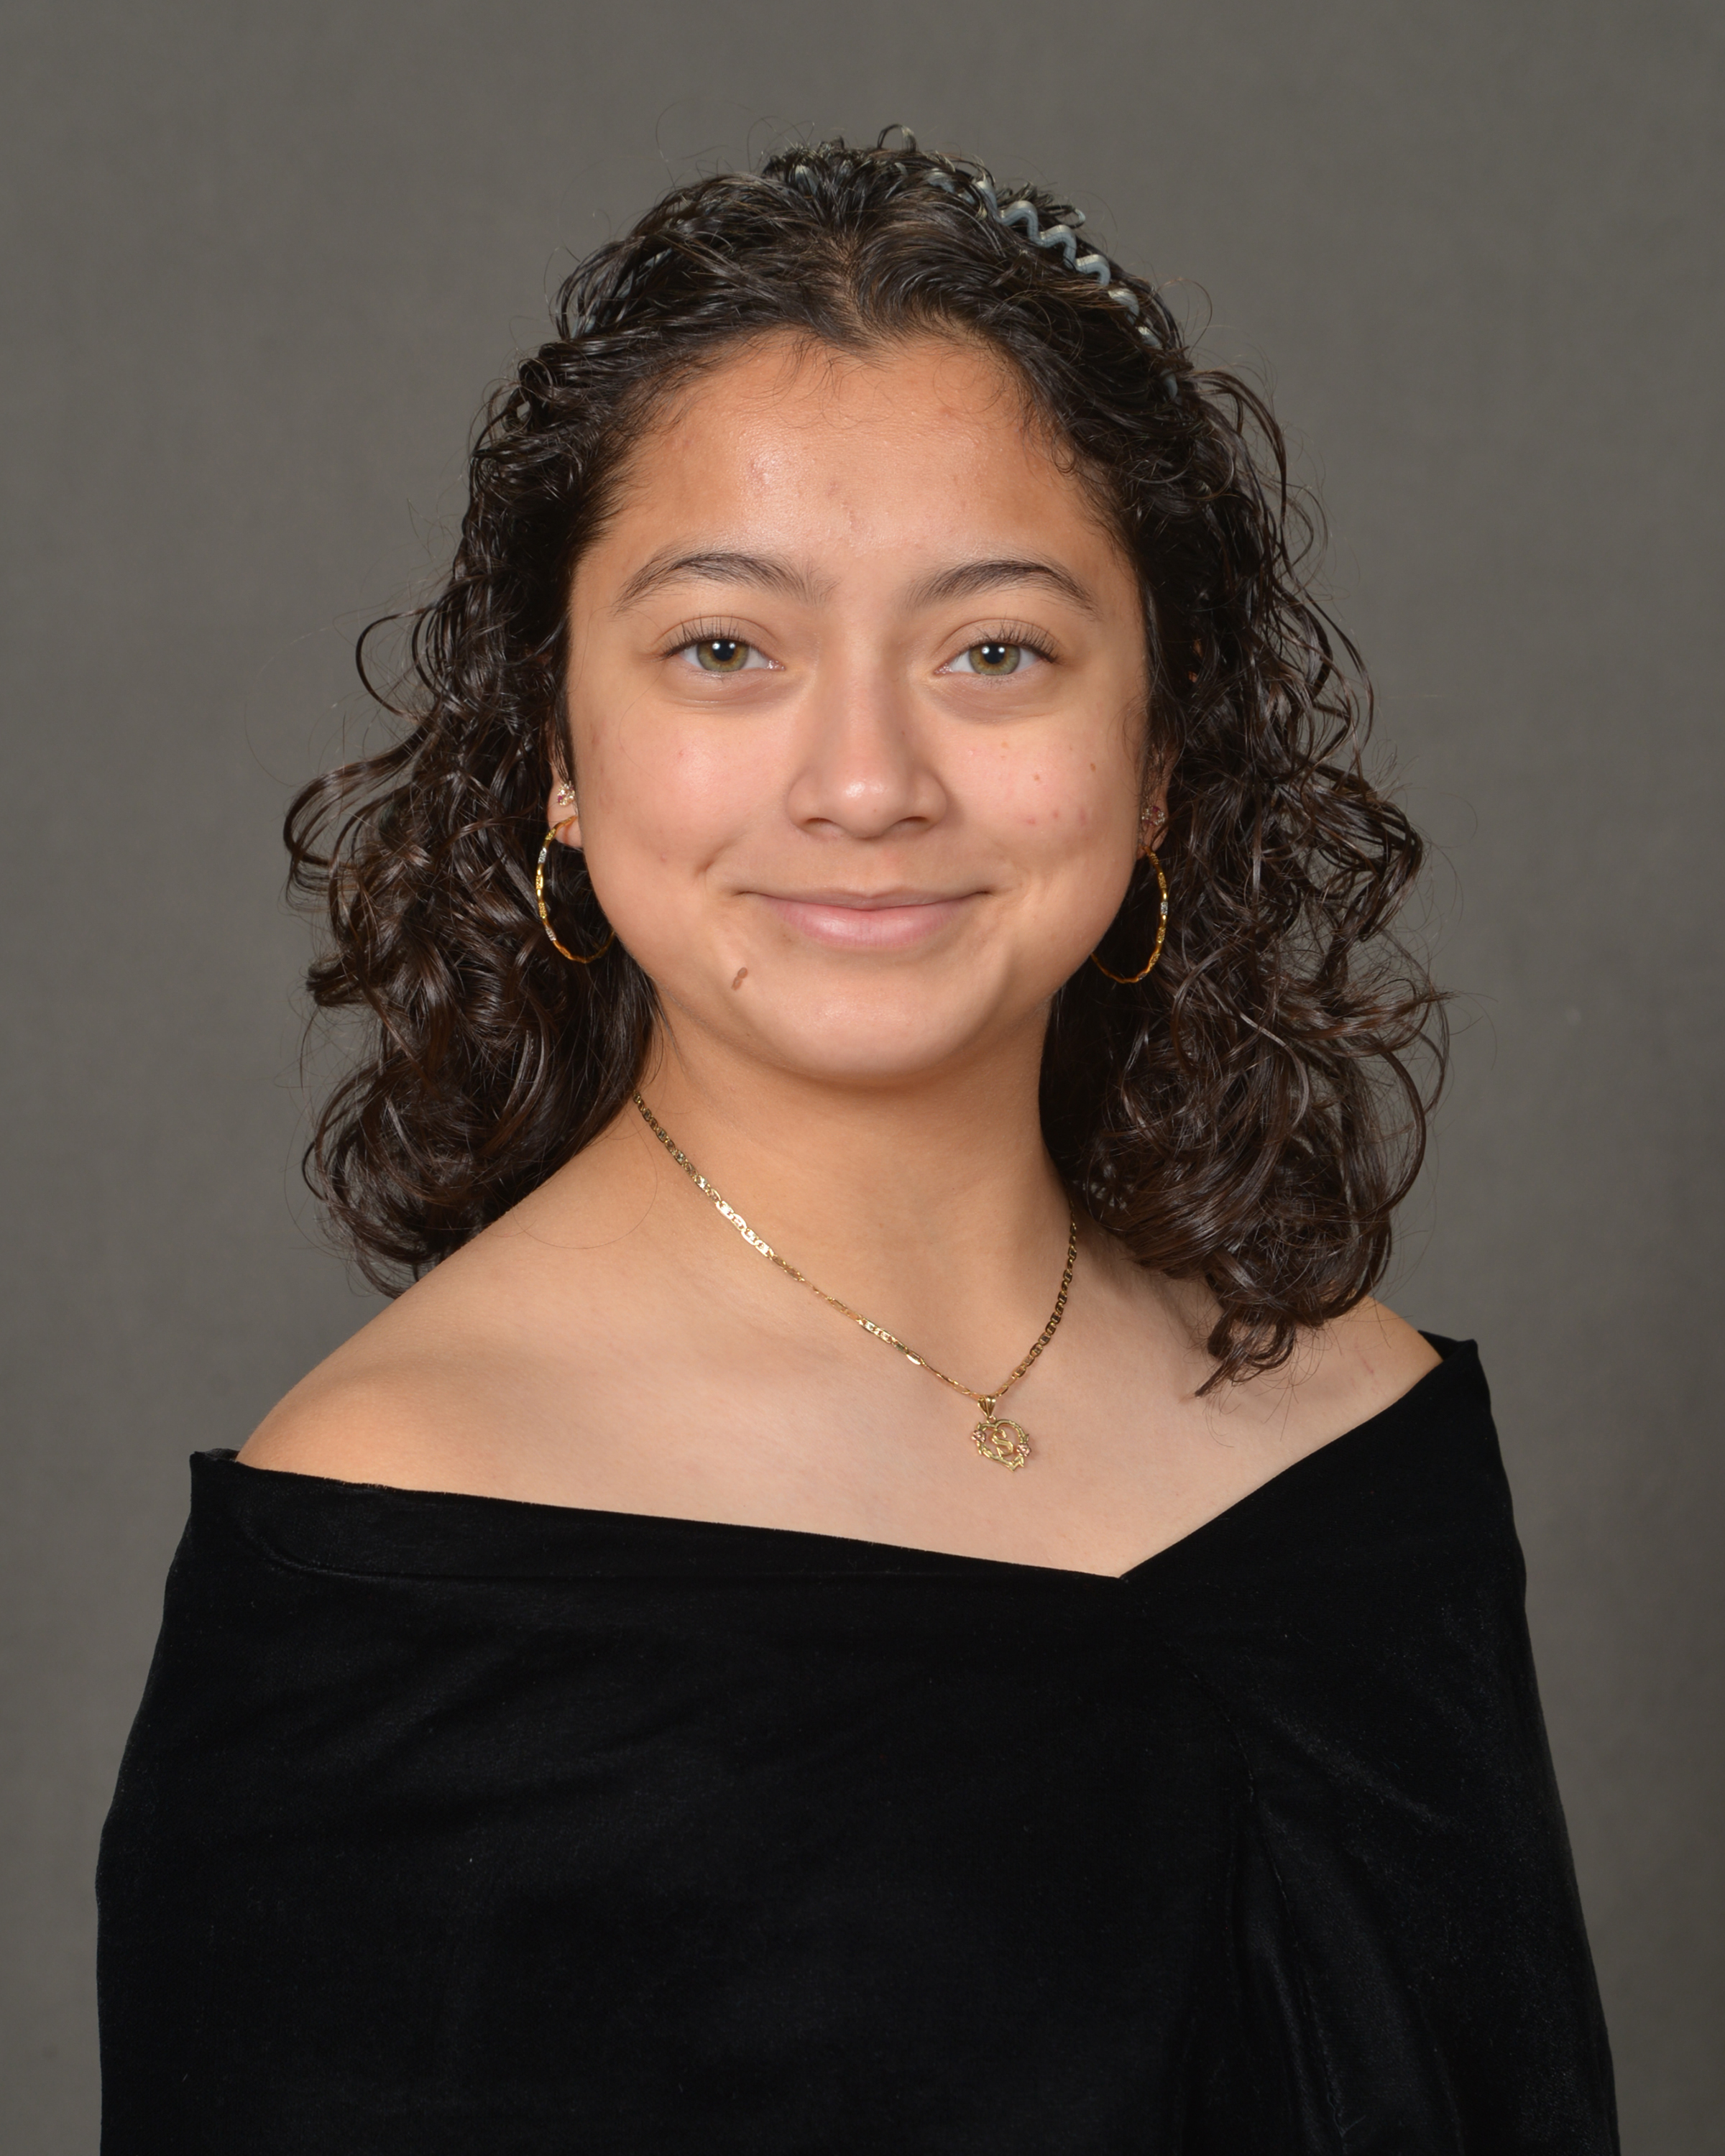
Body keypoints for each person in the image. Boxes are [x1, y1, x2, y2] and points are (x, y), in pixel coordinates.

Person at [96, 134, 1618, 2152]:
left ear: (1161, 753)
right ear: (559, 753)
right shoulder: (392, 1553)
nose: (869, 781)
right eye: (725, 648)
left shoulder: (1366, 1437)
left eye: (996, 650)